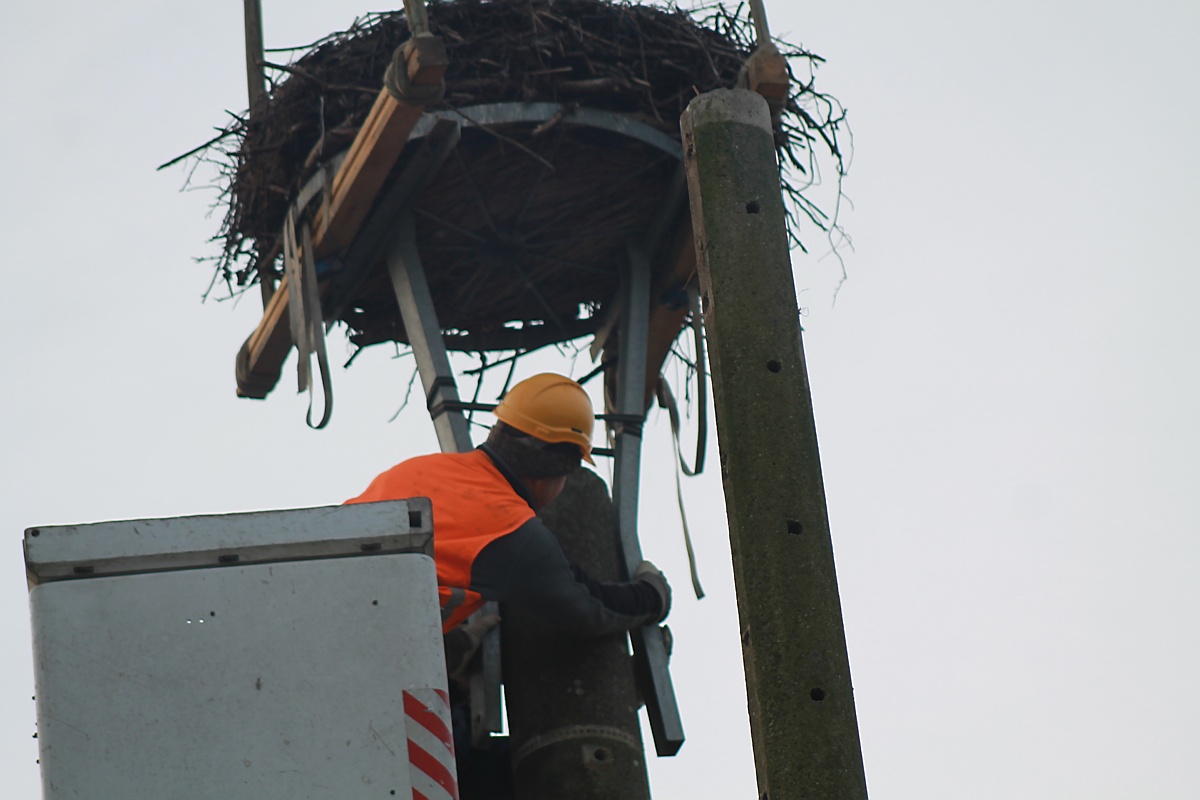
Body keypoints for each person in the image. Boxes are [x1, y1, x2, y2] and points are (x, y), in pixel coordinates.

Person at [344, 373, 670, 795]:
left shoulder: (420, 469)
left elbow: (381, 594)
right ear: (559, 469)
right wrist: (653, 594)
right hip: (367, 685)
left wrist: (455, 644)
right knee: (504, 780)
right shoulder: (511, 529)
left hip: (327, 634)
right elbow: (591, 606)